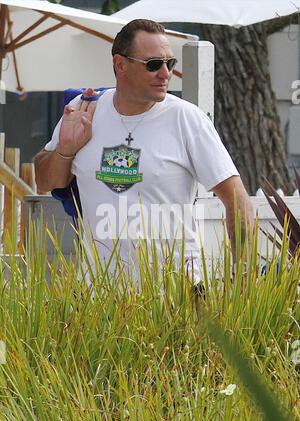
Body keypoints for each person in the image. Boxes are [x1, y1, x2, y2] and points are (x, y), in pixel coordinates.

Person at [34, 19, 254, 286]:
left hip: (176, 297)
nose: (165, 74)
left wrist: (244, 279)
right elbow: (46, 181)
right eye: (153, 65)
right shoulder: (84, 109)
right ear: (120, 64)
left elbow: (237, 199)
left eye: (170, 63)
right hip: (98, 299)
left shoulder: (186, 118)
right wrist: (65, 151)